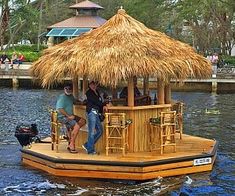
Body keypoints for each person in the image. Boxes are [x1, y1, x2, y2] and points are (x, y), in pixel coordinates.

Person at [56, 85, 86, 153]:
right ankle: (71, 144)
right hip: (62, 117)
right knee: (77, 125)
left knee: (83, 121)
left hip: (71, 116)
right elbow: (60, 109)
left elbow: (75, 101)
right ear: (64, 89)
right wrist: (68, 116)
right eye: (67, 88)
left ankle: (70, 141)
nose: (68, 90)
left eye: (70, 89)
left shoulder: (71, 96)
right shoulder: (62, 97)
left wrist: (82, 102)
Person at [82, 81, 108, 155]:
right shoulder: (88, 93)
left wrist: (104, 104)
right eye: (92, 84)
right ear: (89, 85)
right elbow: (96, 102)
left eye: (95, 84)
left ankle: (87, 145)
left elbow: (99, 102)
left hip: (96, 113)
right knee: (92, 131)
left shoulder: (97, 92)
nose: (93, 85)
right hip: (91, 112)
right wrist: (103, 104)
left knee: (100, 131)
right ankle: (90, 150)